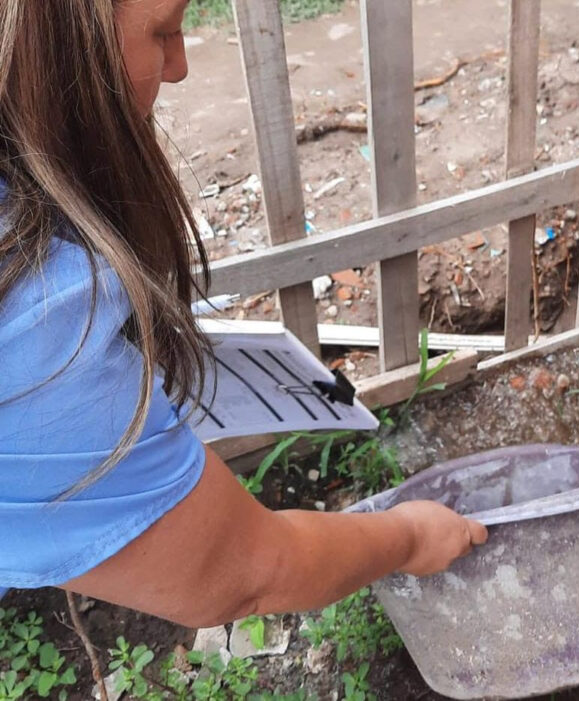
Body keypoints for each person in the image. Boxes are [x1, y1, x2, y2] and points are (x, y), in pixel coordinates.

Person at [0, 0, 487, 629]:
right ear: (53, 38)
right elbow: (240, 574)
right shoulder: (36, 320)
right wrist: (410, 537)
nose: (177, 66)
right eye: (165, 31)